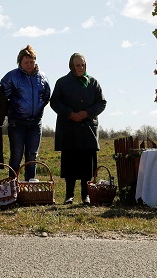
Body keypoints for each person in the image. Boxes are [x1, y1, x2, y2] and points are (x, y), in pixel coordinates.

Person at [50, 53, 106, 205]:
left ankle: (85, 195)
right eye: (78, 65)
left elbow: (101, 103)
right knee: (70, 163)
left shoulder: (93, 83)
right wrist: (69, 113)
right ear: (72, 66)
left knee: (87, 164)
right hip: (69, 129)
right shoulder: (62, 83)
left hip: (87, 129)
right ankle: (69, 195)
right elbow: (54, 101)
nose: (81, 68)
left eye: (83, 65)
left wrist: (87, 113)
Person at [1, 44, 50, 181]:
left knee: (32, 155)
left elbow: (47, 95)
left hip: (35, 123)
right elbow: (3, 96)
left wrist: (39, 107)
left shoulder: (43, 77)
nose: (29, 65)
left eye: (31, 62)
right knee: (16, 155)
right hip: (17, 122)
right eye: (26, 62)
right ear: (20, 63)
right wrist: (13, 108)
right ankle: (13, 185)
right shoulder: (11, 76)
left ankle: (30, 184)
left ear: (35, 61)